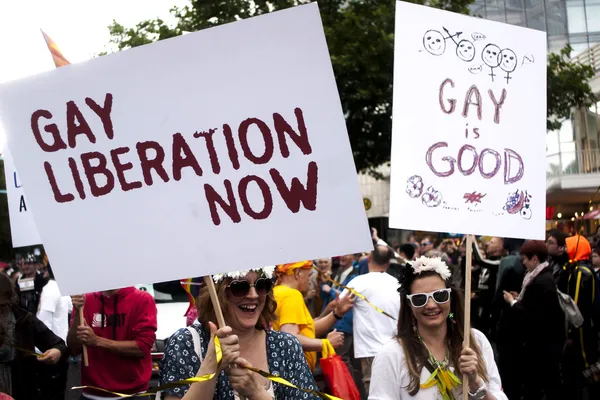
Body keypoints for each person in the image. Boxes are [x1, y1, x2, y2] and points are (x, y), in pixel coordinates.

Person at [160, 266, 320, 399]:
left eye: (261, 285)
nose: (253, 295)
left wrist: (257, 393)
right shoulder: (187, 343)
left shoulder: (285, 346)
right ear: (218, 293)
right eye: (239, 287)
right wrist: (210, 365)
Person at [369, 256, 506, 400]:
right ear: (409, 304)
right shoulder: (392, 354)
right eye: (419, 298)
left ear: (450, 297)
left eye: (440, 295)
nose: (431, 305)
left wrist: (475, 382)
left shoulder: (475, 341)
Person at [502, 240, 565, 400]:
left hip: (542, 347)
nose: (523, 262)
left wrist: (513, 302)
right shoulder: (537, 277)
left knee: (538, 387)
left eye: (525, 259)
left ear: (535, 259)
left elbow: (533, 316)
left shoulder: (542, 280)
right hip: (541, 345)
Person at [68, 287, 157, 399]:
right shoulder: (85, 300)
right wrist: (77, 313)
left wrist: (97, 341)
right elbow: (73, 349)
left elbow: (142, 347)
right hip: (92, 394)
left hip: (133, 394)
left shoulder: (142, 299)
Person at [272, 261, 354, 372]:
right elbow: (289, 338)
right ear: (297, 273)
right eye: (309, 275)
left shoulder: (276, 292)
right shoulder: (291, 295)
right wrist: (325, 343)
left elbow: (307, 331)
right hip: (296, 371)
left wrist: (337, 313)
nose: (310, 282)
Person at [341, 245, 400, 394]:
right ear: (387, 263)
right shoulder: (398, 284)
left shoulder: (358, 282)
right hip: (397, 348)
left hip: (370, 351)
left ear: (368, 258)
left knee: (375, 392)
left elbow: (340, 304)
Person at [0, 272, 68, 400]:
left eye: (3, 306)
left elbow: (59, 345)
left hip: (19, 391)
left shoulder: (24, 320)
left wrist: (57, 351)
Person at [36, 264, 72, 400]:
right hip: (51, 354)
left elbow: (72, 308)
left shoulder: (58, 289)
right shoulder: (51, 291)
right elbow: (43, 325)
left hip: (59, 351)